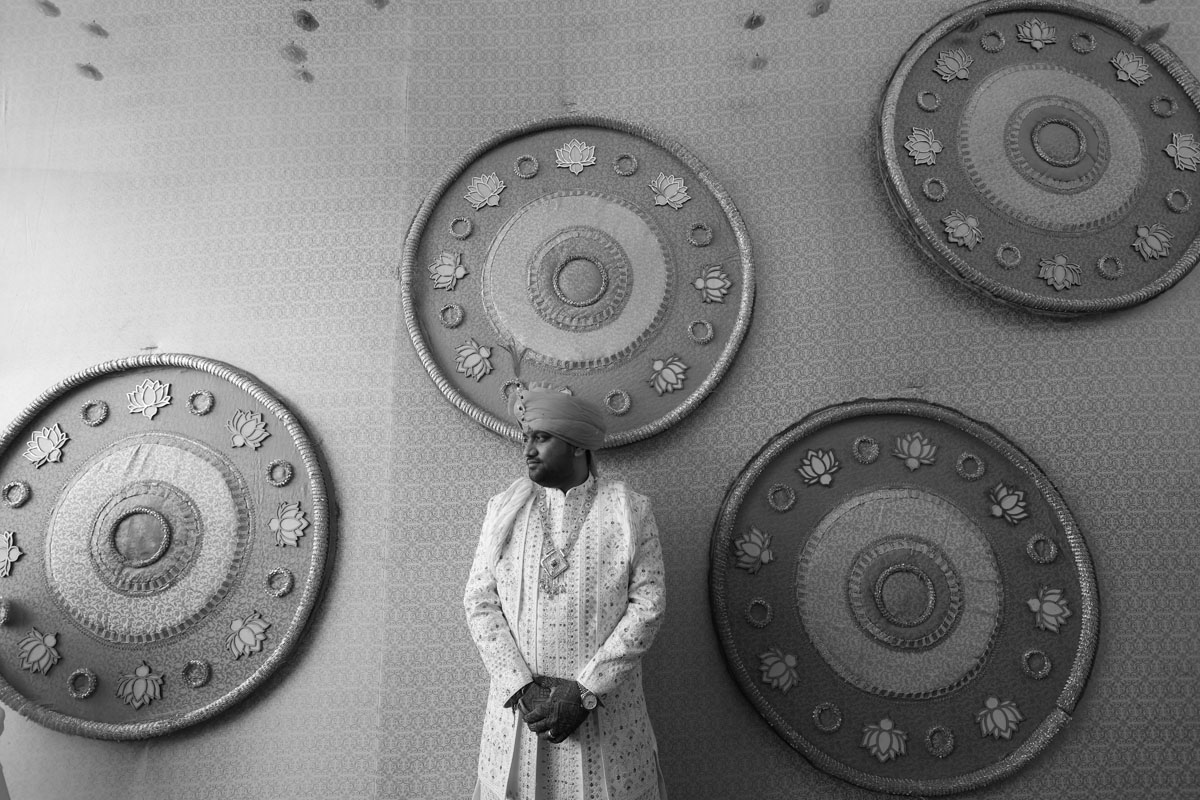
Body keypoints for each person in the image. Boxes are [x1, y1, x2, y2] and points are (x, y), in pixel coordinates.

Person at [464, 387, 667, 800]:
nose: (528, 450)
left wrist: (585, 691)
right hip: (522, 717)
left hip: (607, 720)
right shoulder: (504, 510)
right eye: (526, 438)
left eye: (541, 438)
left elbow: (649, 606)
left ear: (577, 445)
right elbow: (479, 601)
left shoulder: (628, 510)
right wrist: (521, 686)